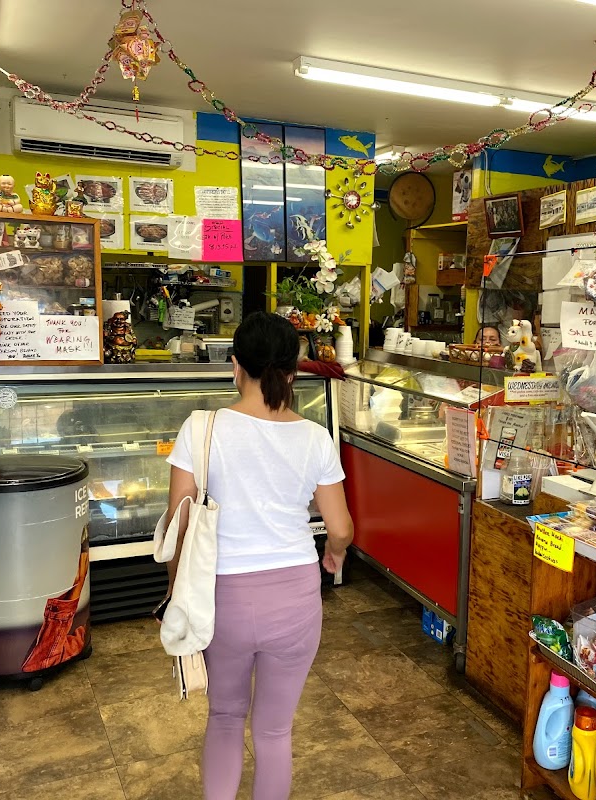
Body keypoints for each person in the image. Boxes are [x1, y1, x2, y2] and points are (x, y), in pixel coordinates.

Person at [163, 311, 354, 800]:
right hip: (294, 598)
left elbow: (181, 525)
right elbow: (340, 529)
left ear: (234, 366)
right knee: (274, 732)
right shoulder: (315, 437)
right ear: (294, 371)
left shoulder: (200, 428)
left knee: (225, 718)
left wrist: (175, 588)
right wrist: (333, 556)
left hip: (219, 598)